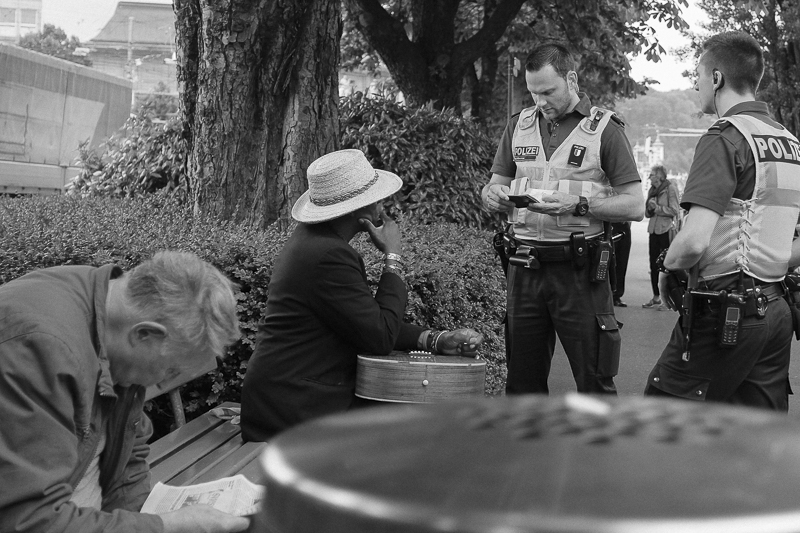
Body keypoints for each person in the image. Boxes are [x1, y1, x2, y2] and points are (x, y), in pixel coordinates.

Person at [241, 149, 484, 442]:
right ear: (358, 210)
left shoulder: (318, 244)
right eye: (377, 198)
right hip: (295, 409)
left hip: (298, 397)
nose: (382, 205)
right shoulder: (329, 255)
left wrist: (435, 339)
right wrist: (393, 257)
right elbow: (379, 337)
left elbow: (366, 323)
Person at [0, 251, 249, 533]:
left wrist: (146, 519)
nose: (161, 380)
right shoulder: (40, 348)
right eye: (171, 371)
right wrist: (165, 527)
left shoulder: (112, 309)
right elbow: (29, 521)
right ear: (144, 335)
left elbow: (128, 453)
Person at [644, 31, 800, 411]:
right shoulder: (790, 143)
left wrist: (667, 265)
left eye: (697, 76)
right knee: (755, 439)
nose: (696, 85)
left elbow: (694, 242)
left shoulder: (725, 137)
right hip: (776, 312)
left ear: (716, 78)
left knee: (660, 416)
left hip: (727, 311)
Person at [481, 43, 644, 395]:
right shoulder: (518, 126)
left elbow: (635, 206)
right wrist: (490, 196)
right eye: (533, 93)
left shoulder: (606, 130)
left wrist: (579, 204)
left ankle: (596, 450)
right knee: (522, 385)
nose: (540, 102)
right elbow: (495, 186)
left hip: (580, 271)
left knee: (594, 383)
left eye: (548, 91)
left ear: (571, 79)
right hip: (524, 267)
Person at [642, 164, 680, 310]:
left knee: (664, 266)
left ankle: (667, 299)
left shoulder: (670, 188)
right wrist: (650, 208)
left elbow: (674, 210)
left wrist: (657, 208)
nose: (649, 177)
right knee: (653, 264)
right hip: (653, 230)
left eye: (651, 174)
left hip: (665, 230)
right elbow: (647, 213)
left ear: (659, 176)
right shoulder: (652, 191)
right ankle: (656, 296)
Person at [611, 221, 632, 307]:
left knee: (622, 261)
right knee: (610, 261)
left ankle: (617, 295)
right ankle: (608, 292)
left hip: (624, 225)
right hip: (611, 225)